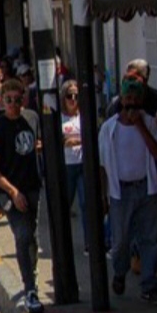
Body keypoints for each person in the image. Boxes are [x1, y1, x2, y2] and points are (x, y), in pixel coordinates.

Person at [99, 76, 157, 306]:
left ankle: (149, 287)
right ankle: (120, 272)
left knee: (149, 239)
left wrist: (139, 125)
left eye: (135, 100)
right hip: (120, 192)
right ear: (121, 100)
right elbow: (101, 166)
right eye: (127, 99)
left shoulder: (148, 123)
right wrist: (103, 196)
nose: (131, 104)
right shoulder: (108, 129)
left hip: (145, 189)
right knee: (120, 242)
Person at [0, 79, 45, 313]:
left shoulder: (31, 119)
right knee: (21, 235)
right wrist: (13, 192)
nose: (13, 104)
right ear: (1, 100)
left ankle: (31, 272)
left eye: (17, 99)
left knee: (32, 237)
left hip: (32, 187)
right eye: (8, 100)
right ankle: (30, 288)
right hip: (11, 191)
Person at [60, 80, 87, 239]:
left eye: (76, 96)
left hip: (82, 164)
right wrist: (65, 141)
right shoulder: (59, 117)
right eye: (69, 96)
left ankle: (88, 242)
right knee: (65, 204)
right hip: (67, 166)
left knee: (85, 204)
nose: (73, 99)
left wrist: (76, 141)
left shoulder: (83, 116)